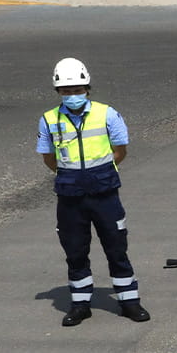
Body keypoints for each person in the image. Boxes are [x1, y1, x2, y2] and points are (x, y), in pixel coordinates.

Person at [37, 57, 148, 327]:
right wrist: (71, 174)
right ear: (58, 92)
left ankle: (129, 302)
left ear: (87, 88)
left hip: (104, 193)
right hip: (70, 195)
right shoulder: (49, 119)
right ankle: (80, 304)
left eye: (77, 90)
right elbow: (49, 158)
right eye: (66, 91)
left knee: (116, 247)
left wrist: (98, 172)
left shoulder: (107, 113)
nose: (72, 95)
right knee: (75, 250)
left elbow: (120, 151)